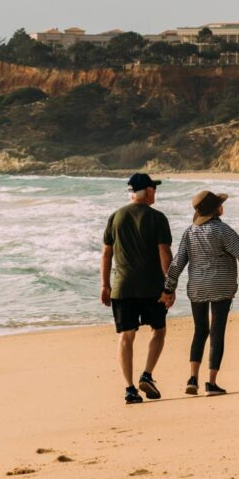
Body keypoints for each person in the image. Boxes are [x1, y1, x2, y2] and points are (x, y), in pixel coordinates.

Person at [160, 190, 239, 396]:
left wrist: (168, 288)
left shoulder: (189, 232)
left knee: (200, 331)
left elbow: (177, 263)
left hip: (197, 288)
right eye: (220, 204)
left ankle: (192, 378)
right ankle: (211, 383)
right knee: (217, 331)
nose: (222, 206)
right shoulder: (224, 231)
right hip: (221, 287)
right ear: (216, 210)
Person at [101, 173, 173, 404]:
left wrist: (105, 285)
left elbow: (107, 253)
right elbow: (164, 253)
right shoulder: (157, 218)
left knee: (126, 336)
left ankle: (130, 388)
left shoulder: (115, 217)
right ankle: (147, 374)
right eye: (154, 189)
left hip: (122, 288)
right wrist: (170, 285)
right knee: (158, 330)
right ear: (149, 191)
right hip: (152, 287)